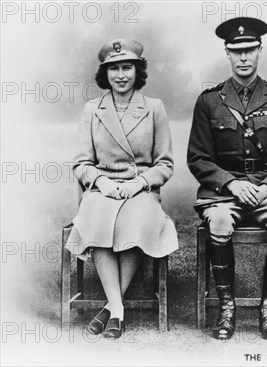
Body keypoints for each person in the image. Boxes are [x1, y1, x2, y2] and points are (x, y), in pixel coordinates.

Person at [187, 17, 267, 340]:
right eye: (236, 51)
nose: (243, 57)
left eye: (249, 50)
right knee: (220, 221)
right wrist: (231, 183)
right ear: (226, 53)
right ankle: (227, 309)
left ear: (260, 51)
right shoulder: (209, 101)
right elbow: (197, 157)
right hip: (225, 191)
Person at [65, 39, 178, 339]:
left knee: (137, 220)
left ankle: (111, 309)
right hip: (101, 188)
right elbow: (80, 163)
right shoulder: (93, 109)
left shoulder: (154, 108)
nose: (121, 75)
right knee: (98, 217)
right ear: (105, 74)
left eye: (127, 67)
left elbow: (165, 164)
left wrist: (140, 183)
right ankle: (117, 310)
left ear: (137, 71)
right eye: (113, 69)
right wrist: (100, 182)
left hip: (139, 189)